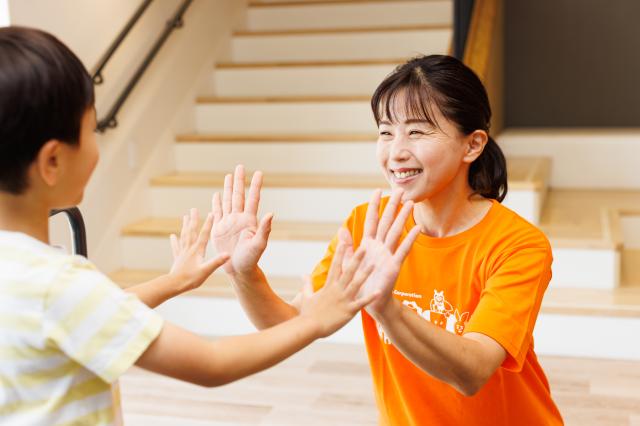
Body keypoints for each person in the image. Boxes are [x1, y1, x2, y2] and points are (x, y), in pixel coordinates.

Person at [0, 26, 393, 425]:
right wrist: (315, 320)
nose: (96, 145)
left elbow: (91, 311)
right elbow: (211, 363)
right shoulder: (58, 285)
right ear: (52, 161)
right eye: (92, 130)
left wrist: (174, 282)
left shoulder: (30, 276)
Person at [211, 55, 564, 425]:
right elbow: (290, 325)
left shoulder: (518, 244)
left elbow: (473, 371)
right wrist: (243, 274)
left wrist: (386, 308)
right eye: (385, 132)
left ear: (472, 145)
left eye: (417, 132)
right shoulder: (367, 225)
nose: (396, 152)